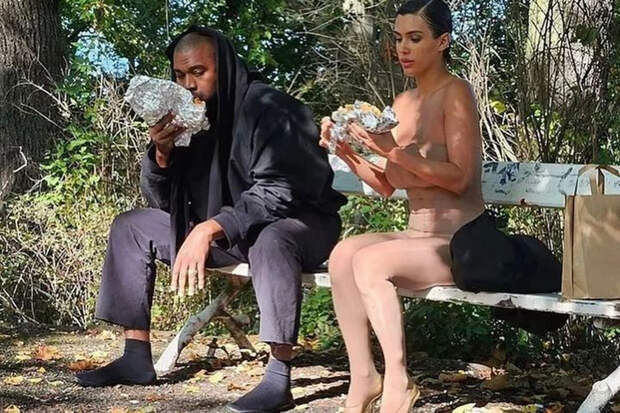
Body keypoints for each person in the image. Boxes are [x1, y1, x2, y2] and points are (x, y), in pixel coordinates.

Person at [76, 25, 347, 413]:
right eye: (179, 75)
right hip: (232, 232)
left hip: (300, 226)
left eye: (198, 72)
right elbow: (164, 203)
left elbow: (281, 192)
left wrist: (210, 227)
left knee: (271, 239)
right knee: (131, 226)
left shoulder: (272, 108)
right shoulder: (192, 119)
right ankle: (136, 357)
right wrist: (162, 154)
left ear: (225, 66)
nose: (189, 85)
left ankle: (278, 377)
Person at [320, 1, 485, 412]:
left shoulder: (456, 93)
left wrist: (390, 150)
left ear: (442, 42)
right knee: (343, 255)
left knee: (370, 262)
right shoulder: (404, 102)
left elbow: (460, 178)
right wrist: (348, 151)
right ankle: (364, 376)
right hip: (417, 234)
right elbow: (388, 184)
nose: (403, 49)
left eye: (415, 38)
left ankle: (398, 381)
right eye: (398, 39)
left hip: (462, 240)